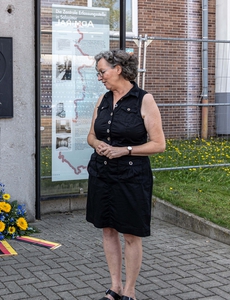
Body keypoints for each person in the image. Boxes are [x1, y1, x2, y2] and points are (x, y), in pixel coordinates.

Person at [86, 49, 165, 300]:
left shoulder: (144, 100)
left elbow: (159, 144)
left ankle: (130, 291)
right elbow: (91, 135)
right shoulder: (103, 99)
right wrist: (96, 144)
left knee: (130, 233)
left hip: (132, 177)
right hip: (102, 174)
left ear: (118, 69)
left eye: (102, 71)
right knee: (108, 229)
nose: (100, 77)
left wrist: (125, 150)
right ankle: (115, 287)